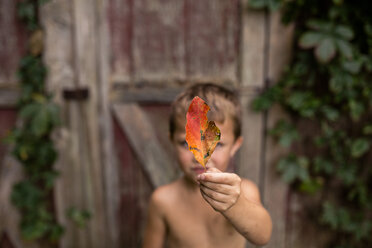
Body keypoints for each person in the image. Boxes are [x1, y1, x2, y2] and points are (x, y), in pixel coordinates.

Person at [142, 83, 272, 248]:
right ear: (172, 141)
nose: (201, 156)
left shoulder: (244, 192)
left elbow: (263, 236)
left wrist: (236, 203)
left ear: (235, 146)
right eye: (187, 143)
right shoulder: (163, 200)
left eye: (216, 144)